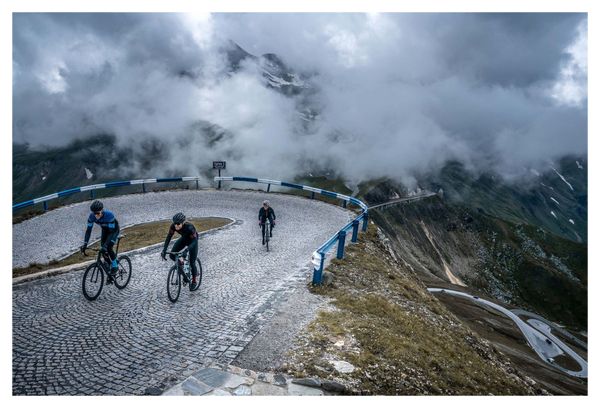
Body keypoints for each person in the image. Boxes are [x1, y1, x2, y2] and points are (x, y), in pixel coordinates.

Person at [80, 200, 120, 283]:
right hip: (105, 231)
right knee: (102, 250)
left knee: (108, 247)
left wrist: (105, 246)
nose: (96, 215)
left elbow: (111, 232)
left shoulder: (109, 215)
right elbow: (88, 231)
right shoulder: (92, 217)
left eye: (98, 213)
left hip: (113, 231)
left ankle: (115, 266)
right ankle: (110, 271)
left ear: (102, 210)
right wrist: (85, 244)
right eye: (94, 213)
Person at [161, 212, 200, 287]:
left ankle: (194, 280)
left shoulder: (189, 227)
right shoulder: (173, 226)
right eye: (175, 223)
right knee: (172, 255)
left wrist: (186, 250)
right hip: (184, 239)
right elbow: (169, 237)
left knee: (192, 262)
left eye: (178, 224)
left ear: (183, 223)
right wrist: (164, 250)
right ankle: (182, 266)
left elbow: (195, 241)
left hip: (193, 242)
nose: (176, 225)